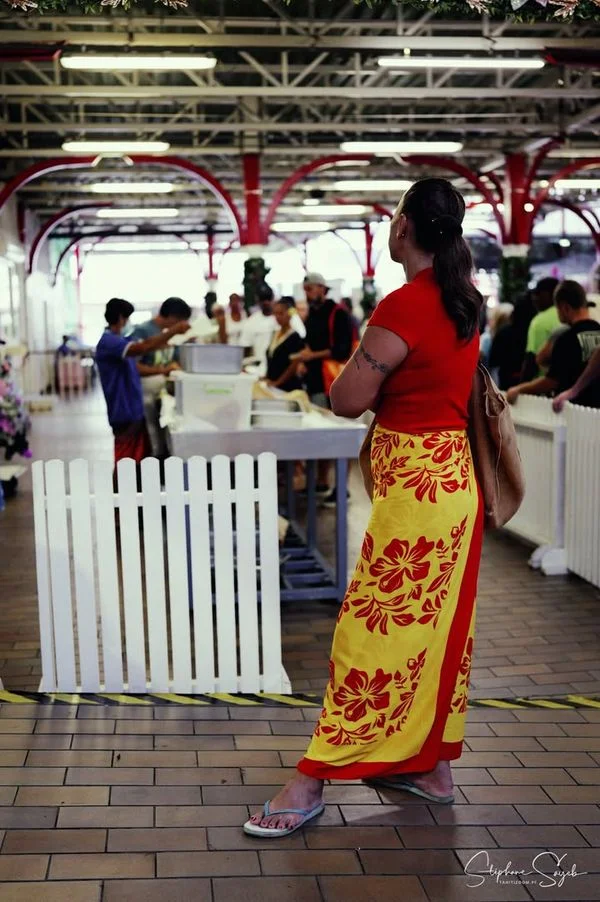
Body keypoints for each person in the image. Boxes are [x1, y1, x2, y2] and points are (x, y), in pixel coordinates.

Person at [243, 177, 484, 838]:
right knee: (436, 636)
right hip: (452, 487)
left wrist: (362, 368)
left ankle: (313, 779)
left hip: (419, 495)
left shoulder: (406, 307)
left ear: (404, 227)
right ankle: (431, 768)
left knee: (368, 633)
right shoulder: (465, 300)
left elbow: (348, 400)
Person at [95, 298, 190, 466]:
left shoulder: (119, 342)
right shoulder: (109, 342)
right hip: (122, 409)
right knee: (126, 461)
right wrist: (172, 331)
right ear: (120, 318)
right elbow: (142, 348)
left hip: (132, 408)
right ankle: (121, 491)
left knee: (137, 460)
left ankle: (133, 490)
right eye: (127, 318)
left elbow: (145, 349)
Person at [295, 272, 353, 504]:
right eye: (305, 289)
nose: (308, 293)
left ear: (322, 288)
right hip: (317, 382)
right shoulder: (313, 315)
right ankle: (321, 482)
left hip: (334, 382)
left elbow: (342, 349)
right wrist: (304, 359)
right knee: (321, 433)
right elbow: (310, 341)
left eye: (310, 289)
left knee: (339, 433)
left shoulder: (338, 313)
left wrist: (311, 355)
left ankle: (342, 488)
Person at [507, 280, 600, 407]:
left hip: (573, 409)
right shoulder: (598, 330)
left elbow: (551, 381)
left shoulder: (566, 338)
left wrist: (519, 389)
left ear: (564, 307)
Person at [130, 297, 192, 459]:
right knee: (152, 425)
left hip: (167, 387)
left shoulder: (174, 335)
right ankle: (155, 457)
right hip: (147, 388)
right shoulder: (143, 332)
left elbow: (177, 360)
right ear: (172, 317)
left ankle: (167, 453)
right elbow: (134, 366)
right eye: (179, 322)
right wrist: (161, 370)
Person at [488, 292, 536, 391]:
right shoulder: (533, 330)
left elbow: (494, 361)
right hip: (530, 382)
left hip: (506, 380)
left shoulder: (504, 333)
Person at [521, 277, 560, 380]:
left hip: (543, 385)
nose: (534, 298)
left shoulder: (539, 321)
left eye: (537, 294)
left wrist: (521, 388)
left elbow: (531, 359)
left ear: (547, 294)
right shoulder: (571, 315)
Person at [265, 298, 305, 392]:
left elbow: (293, 366)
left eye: (281, 313)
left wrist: (277, 382)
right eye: (276, 313)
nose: (278, 317)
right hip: (273, 384)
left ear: (289, 314)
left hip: (287, 386)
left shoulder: (295, 337)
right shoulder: (274, 333)